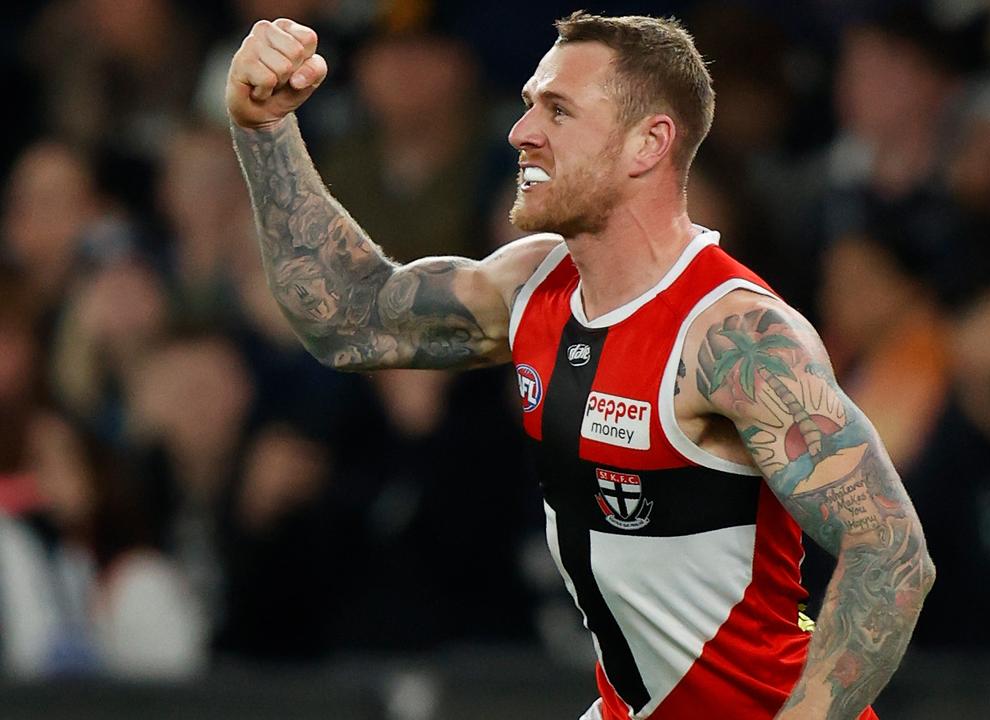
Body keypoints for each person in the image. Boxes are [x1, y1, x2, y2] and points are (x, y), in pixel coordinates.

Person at [225, 13, 934, 720]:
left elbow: (891, 552)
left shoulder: (734, 337)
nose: (521, 132)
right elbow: (351, 316)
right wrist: (265, 130)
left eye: (558, 110)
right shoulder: (533, 288)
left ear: (648, 143)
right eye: (531, 103)